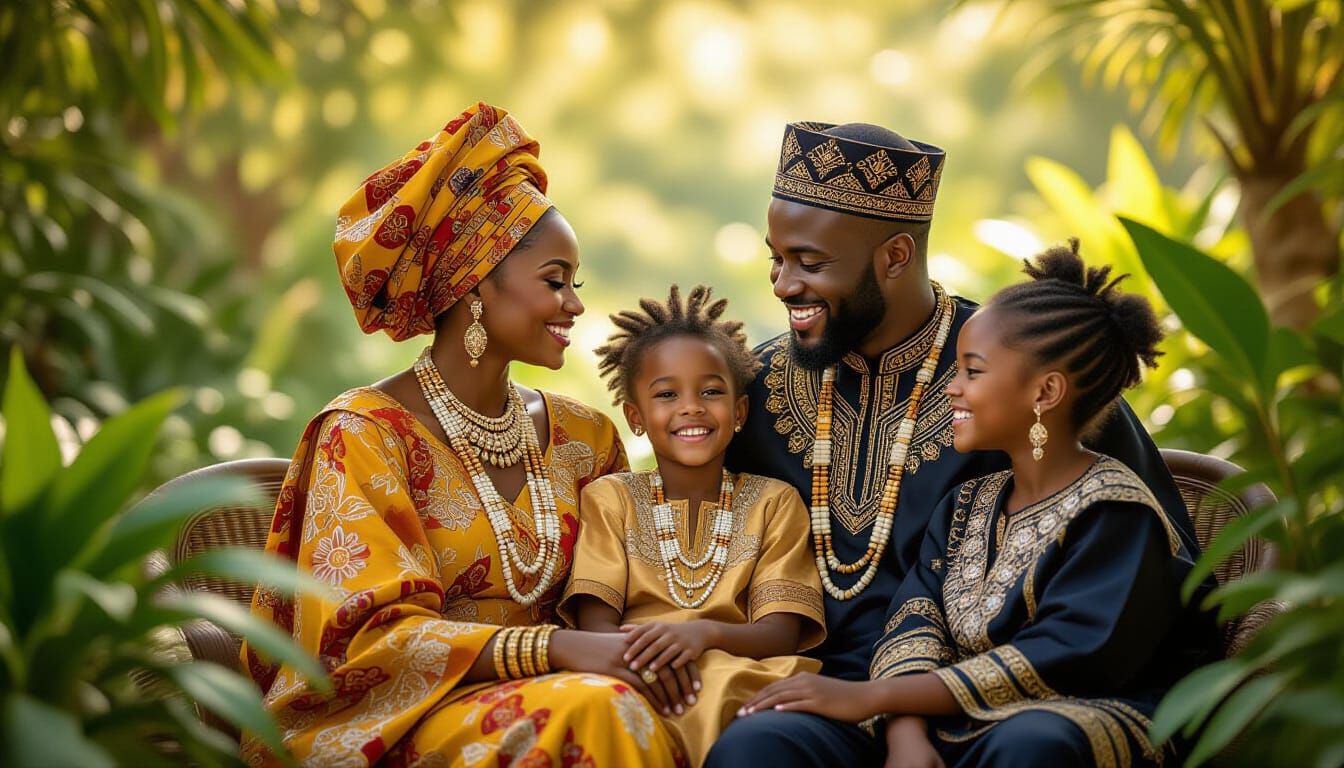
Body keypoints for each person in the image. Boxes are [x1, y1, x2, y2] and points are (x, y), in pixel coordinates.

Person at [710, 121, 1206, 767]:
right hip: (839, 701)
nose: (781, 285)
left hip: (1038, 704)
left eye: (809, 262)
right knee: (757, 747)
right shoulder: (760, 386)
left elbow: (1151, 598)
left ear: (894, 257)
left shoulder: (1028, 367)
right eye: (775, 258)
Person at [241, 102, 683, 767]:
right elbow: (364, 643)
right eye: (554, 282)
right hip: (403, 723)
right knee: (600, 708)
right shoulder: (362, 434)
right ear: (476, 284)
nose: (575, 304)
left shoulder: (584, 438)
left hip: (573, 695)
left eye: (576, 283)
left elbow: (640, 592)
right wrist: (554, 651)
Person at [559, 285, 826, 767]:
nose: (691, 407)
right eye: (667, 394)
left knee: (746, 708)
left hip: (743, 677)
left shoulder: (774, 502)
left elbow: (781, 633)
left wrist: (701, 636)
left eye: (711, 391)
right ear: (636, 418)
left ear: (739, 412)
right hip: (637, 672)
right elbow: (595, 622)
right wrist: (649, 661)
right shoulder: (612, 498)